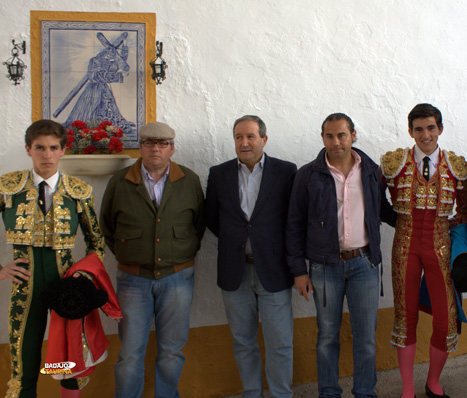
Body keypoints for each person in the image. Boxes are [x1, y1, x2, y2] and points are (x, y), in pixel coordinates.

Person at [286, 113, 395, 398]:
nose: (336, 142)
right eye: (330, 136)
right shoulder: (307, 175)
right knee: (326, 338)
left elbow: (383, 210)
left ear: (353, 135)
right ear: (322, 138)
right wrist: (299, 270)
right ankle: (329, 393)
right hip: (324, 267)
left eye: (342, 135)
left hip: (365, 264)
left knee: (366, 340)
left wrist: (417, 219)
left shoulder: (371, 171)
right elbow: (295, 224)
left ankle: (364, 393)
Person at [0, 119, 105, 398]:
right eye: (40, 147)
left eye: (53, 148)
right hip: (25, 286)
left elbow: (97, 243)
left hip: (67, 286)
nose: (46, 154)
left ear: (63, 151)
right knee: (25, 358)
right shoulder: (8, 186)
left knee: (68, 358)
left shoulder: (78, 191)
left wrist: (84, 275)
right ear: (28, 149)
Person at [100, 121, 205, 398]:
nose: (155, 148)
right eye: (149, 142)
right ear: (140, 147)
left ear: (172, 148)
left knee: (172, 351)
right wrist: (130, 256)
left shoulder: (189, 181)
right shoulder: (120, 182)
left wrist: (180, 254)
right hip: (133, 280)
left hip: (178, 278)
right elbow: (107, 228)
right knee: (130, 353)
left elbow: (199, 224)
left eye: (162, 144)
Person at [380, 104, 467, 398]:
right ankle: (407, 389)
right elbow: (374, 198)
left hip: (441, 246)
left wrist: (463, 242)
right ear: (410, 131)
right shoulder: (394, 163)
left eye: (431, 128)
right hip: (405, 244)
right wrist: (396, 219)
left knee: (446, 320)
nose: (425, 134)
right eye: (419, 129)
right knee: (404, 316)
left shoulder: (456, 165)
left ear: (440, 129)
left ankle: (433, 382)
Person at [205, 115, 297, 398]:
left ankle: (281, 394)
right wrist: (238, 243)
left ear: (264, 140)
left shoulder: (286, 171)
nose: (244, 143)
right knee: (243, 343)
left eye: (250, 137)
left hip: (274, 270)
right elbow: (212, 218)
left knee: (280, 344)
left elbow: (293, 220)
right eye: (238, 137)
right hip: (235, 273)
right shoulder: (218, 174)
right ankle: (252, 393)